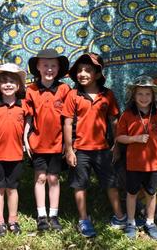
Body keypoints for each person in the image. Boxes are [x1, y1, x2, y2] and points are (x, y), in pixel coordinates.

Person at [62, 52, 125, 238]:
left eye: (88, 70)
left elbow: (114, 120)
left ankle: (120, 217)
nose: (83, 73)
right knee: (80, 185)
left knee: (111, 183)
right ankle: (84, 219)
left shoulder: (108, 95)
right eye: (80, 70)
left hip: (103, 150)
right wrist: (69, 150)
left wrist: (117, 145)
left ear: (97, 74)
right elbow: (66, 123)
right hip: (80, 149)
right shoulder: (73, 95)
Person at [23, 49, 70, 231]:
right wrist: (25, 139)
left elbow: (68, 119)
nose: (49, 69)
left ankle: (54, 215)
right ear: (38, 67)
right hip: (38, 143)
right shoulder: (31, 90)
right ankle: (41, 215)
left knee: (53, 178)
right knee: (40, 177)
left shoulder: (65, 89)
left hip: (58, 144)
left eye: (53, 66)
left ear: (58, 68)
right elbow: (28, 116)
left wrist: (68, 143)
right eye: (45, 65)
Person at [115, 75, 157, 240]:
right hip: (133, 163)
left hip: (152, 164)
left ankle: (150, 222)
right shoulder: (127, 115)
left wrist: (155, 147)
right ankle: (130, 222)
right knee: (132, 193)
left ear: (153, 96)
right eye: (140, 94)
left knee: (151, 193)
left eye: (147, 94)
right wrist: (135, 139)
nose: (144, 98)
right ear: (133, 95)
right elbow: (119, 137)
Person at [0, 63, 28, 236]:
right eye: (4, 82)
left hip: (16, 154)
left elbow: (30, 124)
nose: (8, 85)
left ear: (18, 86)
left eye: (12, 81)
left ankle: (13, 220)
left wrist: (26, 140)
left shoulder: (24, 105)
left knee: (12, 188)